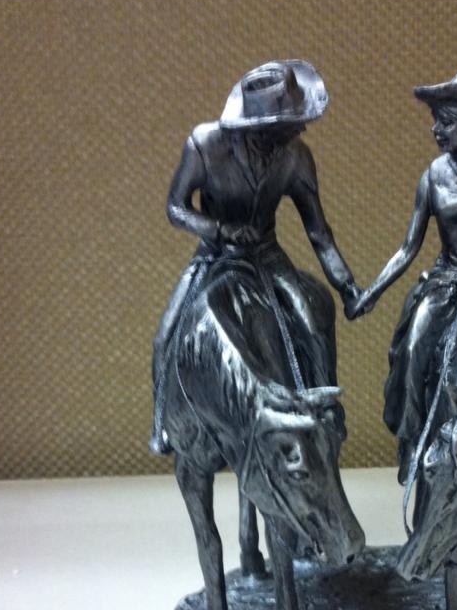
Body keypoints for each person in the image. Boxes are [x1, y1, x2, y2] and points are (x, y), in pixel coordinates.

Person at [150, 59, 360, 455]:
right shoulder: (205, 144)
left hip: (267, 256)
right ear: (263, 126)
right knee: (165, 335)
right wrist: (220, 230)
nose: (300, 130)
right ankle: (163, 422)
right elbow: (175, 208)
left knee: (313, 319)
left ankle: (327, 410)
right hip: (215, 256)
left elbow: (318, 232)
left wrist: (346, 286)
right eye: (292, 124)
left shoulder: (296, 157)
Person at [352, 73, 457, 482]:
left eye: (446, 122)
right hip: (446, 279)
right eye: (435, 122)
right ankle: (411, 440)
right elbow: (408, 247)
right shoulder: (432, 175)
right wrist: (372, 292)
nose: (436, 131)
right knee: (413, 347)